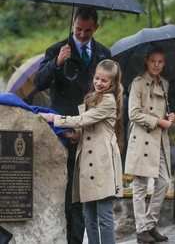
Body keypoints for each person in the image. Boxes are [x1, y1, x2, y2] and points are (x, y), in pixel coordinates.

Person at [33, 7, 111, 244]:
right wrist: (56, 62)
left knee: (82, 195)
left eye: (88, 30)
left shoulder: (104, 54)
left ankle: (78, 240)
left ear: (95, 28)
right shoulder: (57, 50)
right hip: (62, 131)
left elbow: (112, 91)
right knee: (63, 193)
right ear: (74, 24)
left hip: (91, 133)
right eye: (78, 29)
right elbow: (38, 82)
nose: (82, 34)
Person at [39, 59, 123, 244]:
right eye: (97, 78)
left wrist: (54, 118)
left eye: (104, 81)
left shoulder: (108, 101)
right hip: (87, 161)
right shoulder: (93, 97)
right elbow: (88, 129)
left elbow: (84, 119)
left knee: (104, 215)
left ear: (112, 84)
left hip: (102, 162)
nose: (99, 83)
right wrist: (76, 136)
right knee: (88, 214)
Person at [124, 45, 175, 243]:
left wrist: (168, 117)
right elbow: (134, 114)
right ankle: (142, 230)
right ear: (146, 61)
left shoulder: (164, 84)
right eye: (153, 61)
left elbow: (161, 112)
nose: (156, 65)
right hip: (143, 139)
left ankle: (149, 224)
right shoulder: (137, 84)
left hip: (159, 140)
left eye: (160, 61)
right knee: (140, 186)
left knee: (163, 182)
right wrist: (159, 121)